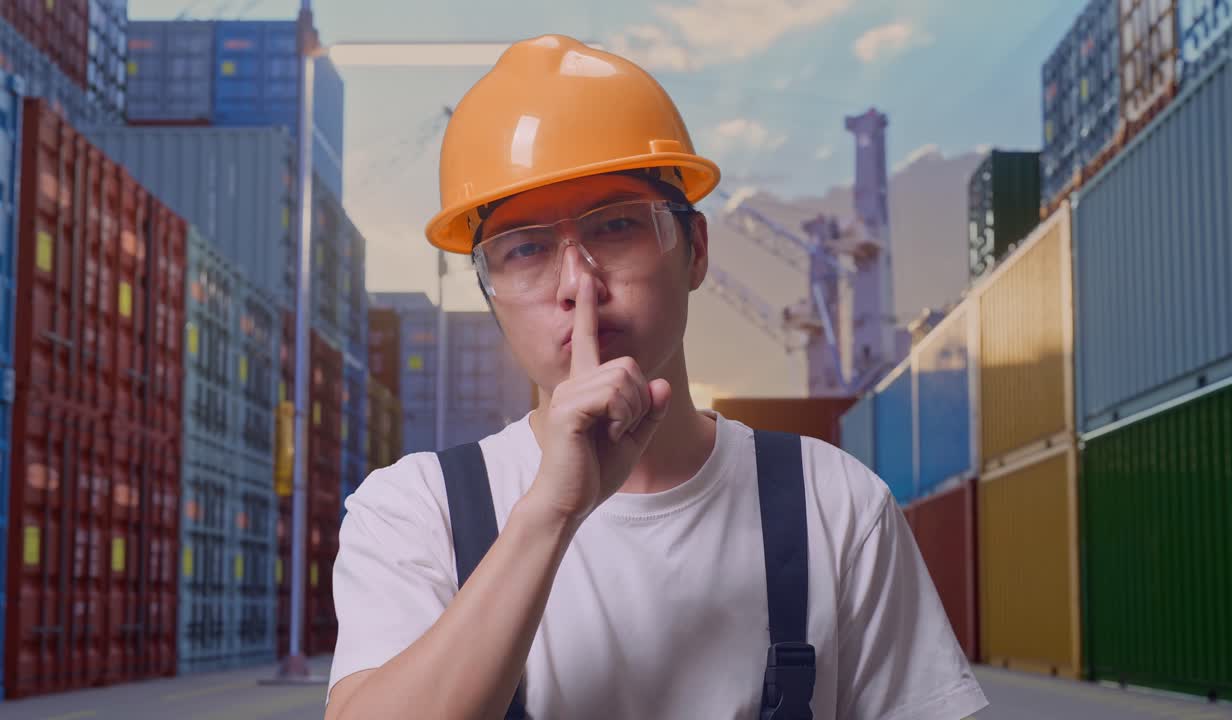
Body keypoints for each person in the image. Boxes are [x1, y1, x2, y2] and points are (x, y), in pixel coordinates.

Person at [323, 34, 989, 720]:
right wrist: (550, 514)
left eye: (615, 227)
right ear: (491, 292)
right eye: (524, 249)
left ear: (695, 250)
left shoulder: (838, 505)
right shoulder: (415, 511)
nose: (578, 284)